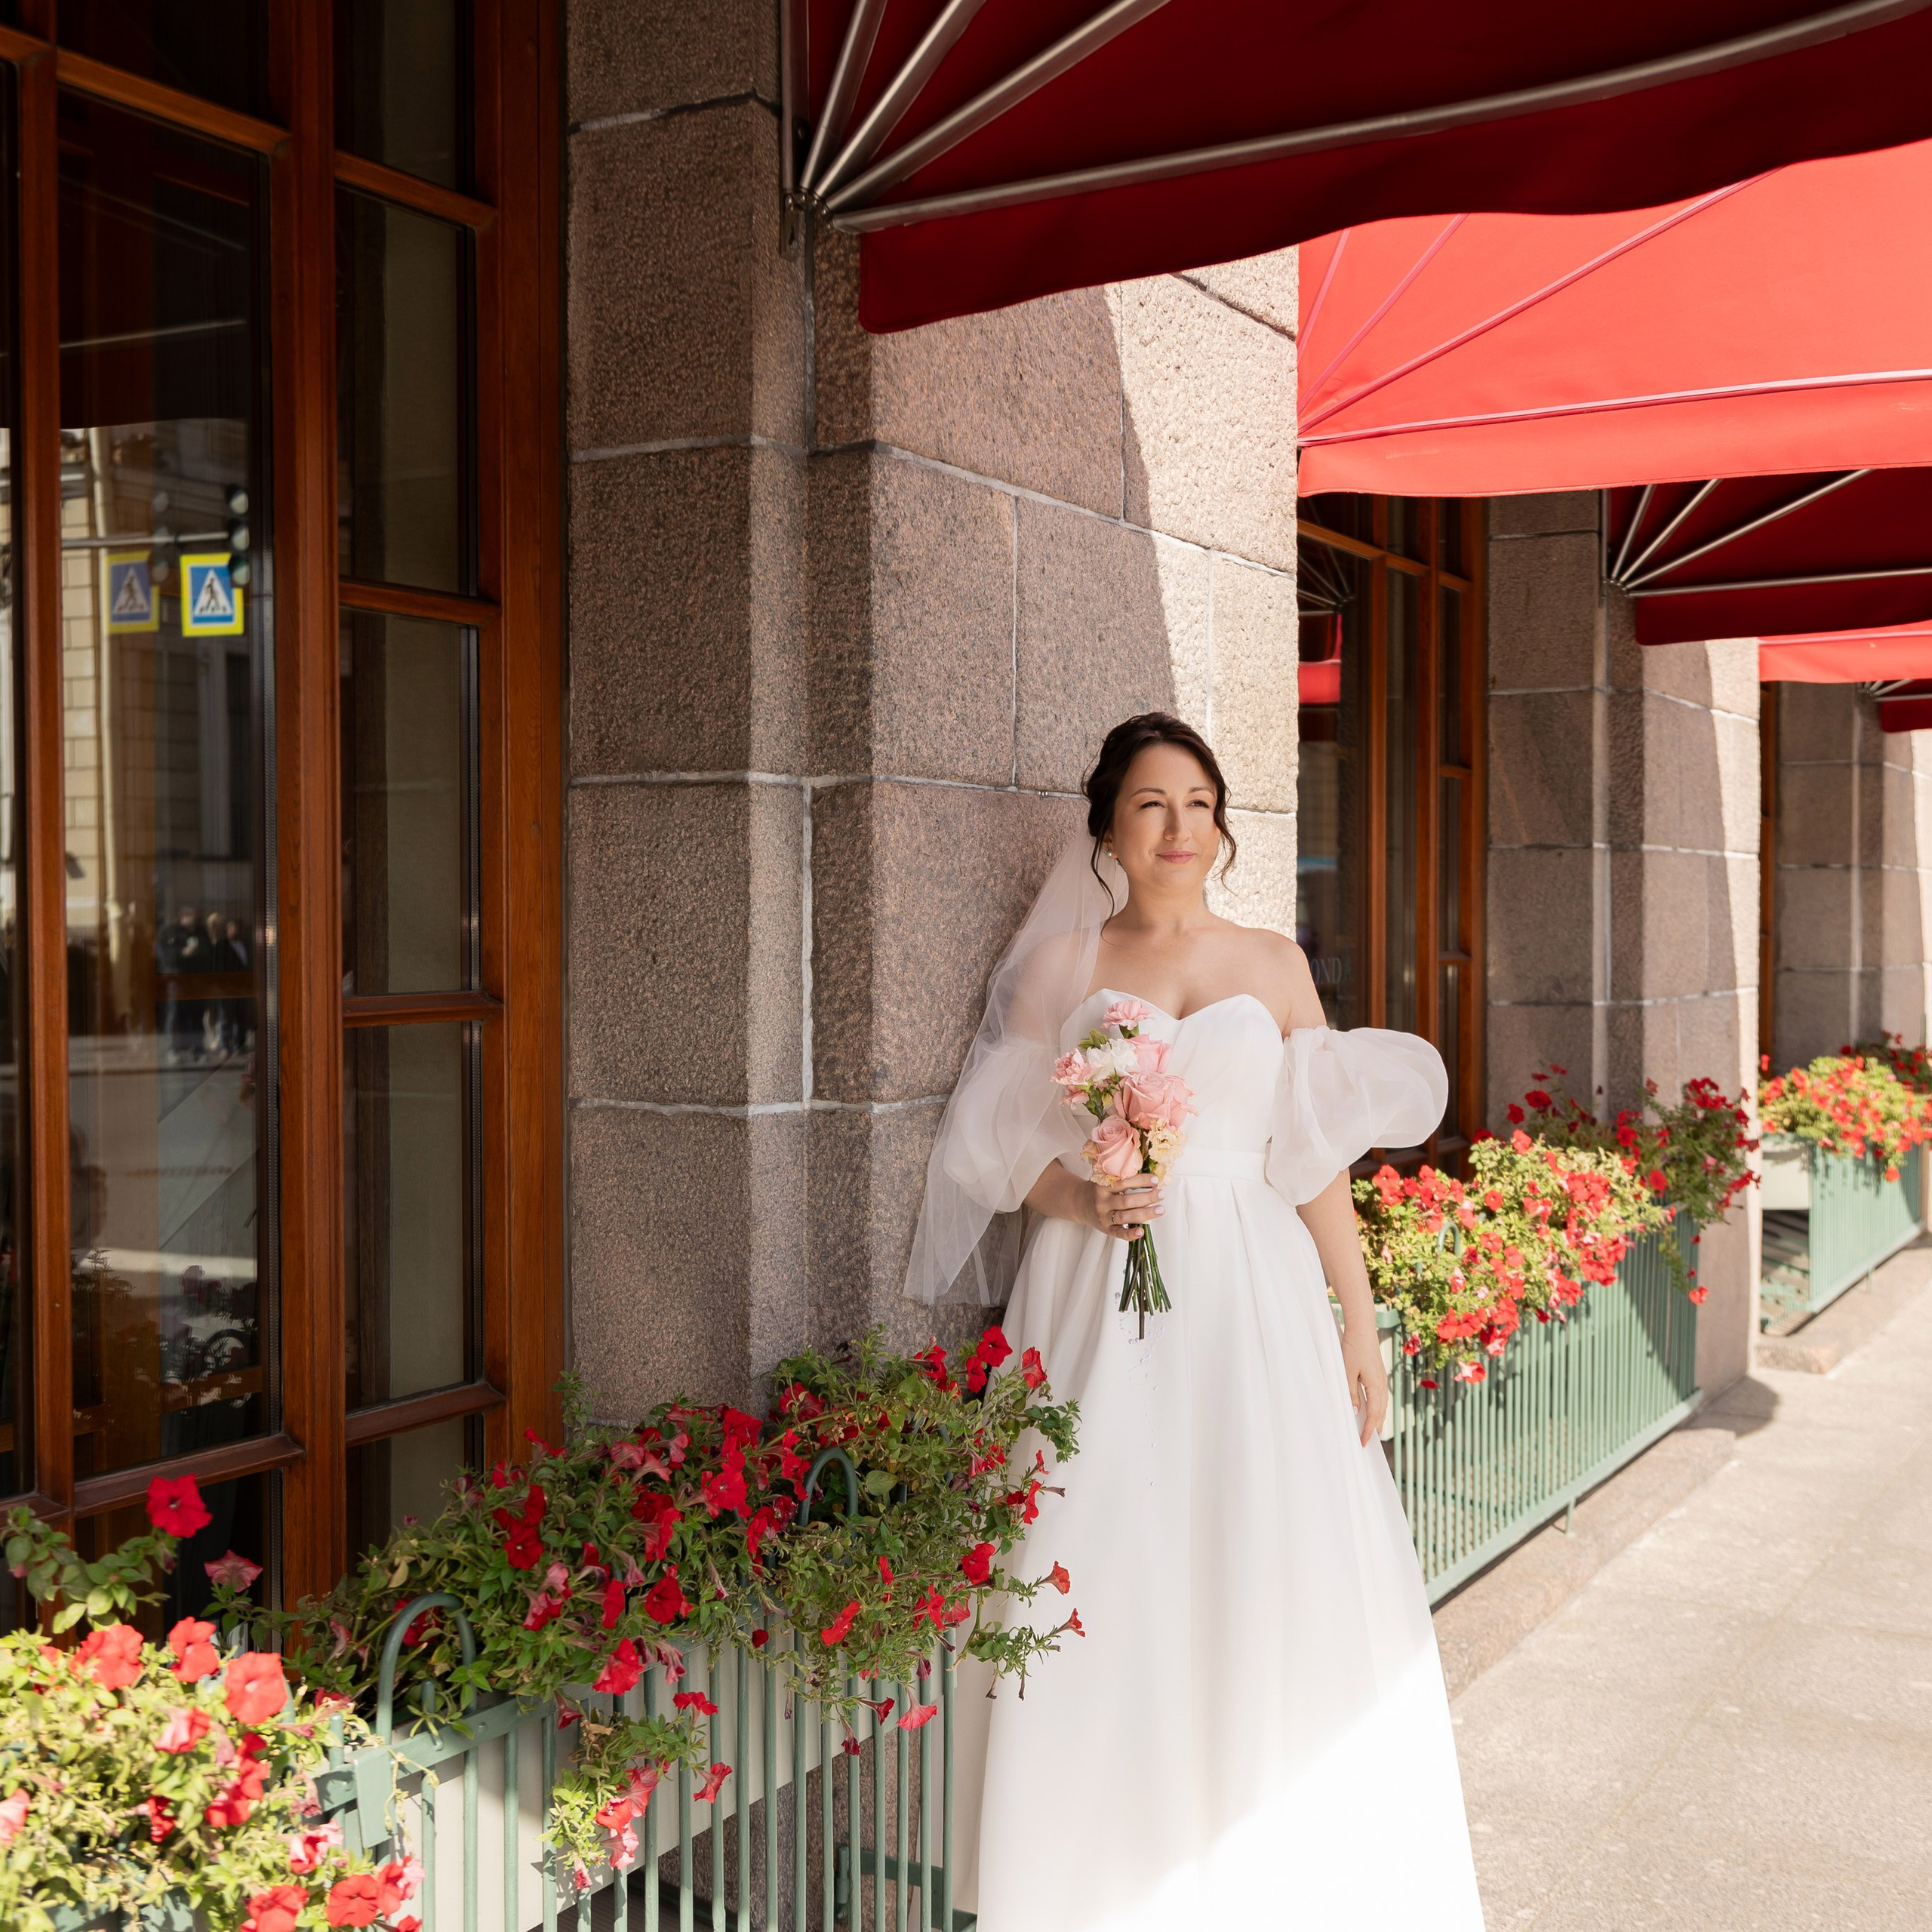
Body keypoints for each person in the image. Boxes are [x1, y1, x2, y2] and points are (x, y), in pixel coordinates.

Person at [908, 712, 1484, 1930]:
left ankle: (1259, 1857)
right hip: (1093, 1276)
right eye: (1153, 805)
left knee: (1247, 1534)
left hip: (1246, 1284)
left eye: (1201, 805)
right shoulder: (1063, 968)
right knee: (1098, 1540)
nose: (1181, 829)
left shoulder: (1273, 962)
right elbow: (991, 1142)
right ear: (1109, 826)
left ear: (1222, 826)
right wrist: (1083, 1188)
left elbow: (1313, 1155)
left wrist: (1359, 1317)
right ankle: (1088, 1867)